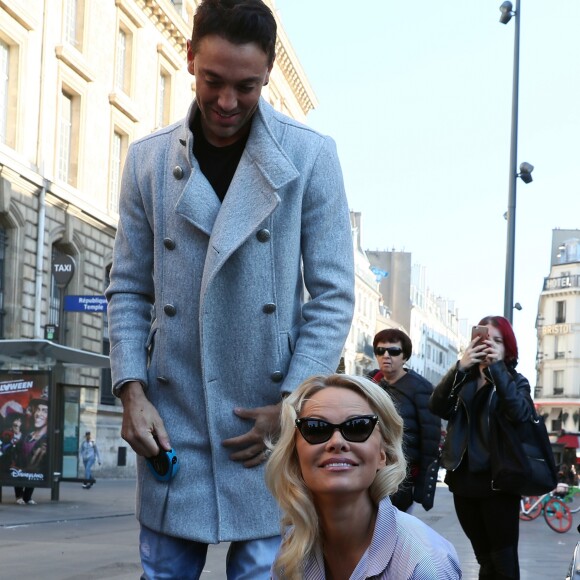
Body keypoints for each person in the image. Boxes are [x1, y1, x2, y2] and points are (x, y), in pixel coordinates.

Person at [105, 0, 355, 577]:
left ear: (269, 71)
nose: (225, 102)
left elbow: (334, 293)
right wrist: (131, 393)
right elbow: (129, 290)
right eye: (212, 81)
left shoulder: (311, 156)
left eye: (245, 86)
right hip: (173, 420)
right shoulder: (146, 161)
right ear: (189, 57)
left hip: (266, 427)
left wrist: (292, 405)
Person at [265, 374, 462, 579]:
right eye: (316, 428)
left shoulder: (424, 564)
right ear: (295, 454)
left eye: (358, 427)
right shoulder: (290, 551)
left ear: (382, 454)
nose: (337, 441)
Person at [429, 316, 533, 579]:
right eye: (485, 340)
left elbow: (520, 415)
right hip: (464, 482)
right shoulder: (463, 379)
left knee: (504, 563)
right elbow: (437, 406)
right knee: (484, 559)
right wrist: (459, 368)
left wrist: (497, 370)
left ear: (508, 347)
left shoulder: (516, 382)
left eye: (498, 341)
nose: (491, 346)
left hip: (499, 484)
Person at [369, 328, 441, 512]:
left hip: (403, 477)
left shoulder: (421, 388)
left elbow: (430, 440)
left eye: (393, 351)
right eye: (380, 351)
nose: (386, 356)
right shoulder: (370, 383)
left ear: (405, 356)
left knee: (394, 529)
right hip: (370, 470)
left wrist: (423, 486)